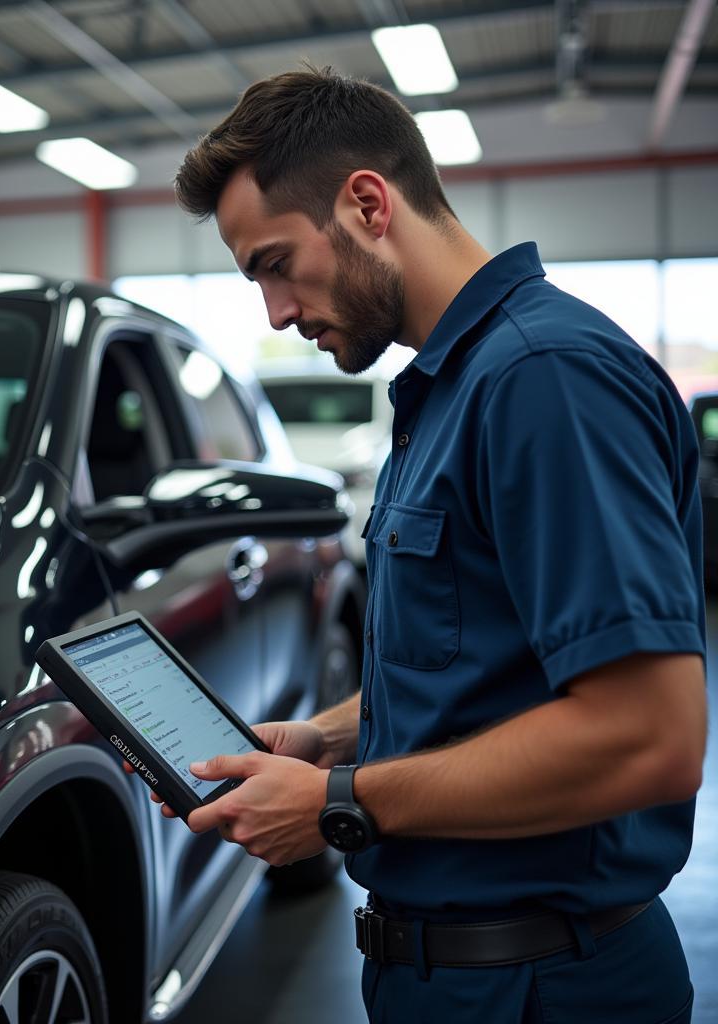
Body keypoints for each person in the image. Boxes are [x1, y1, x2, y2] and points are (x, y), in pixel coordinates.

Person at [145, 66, 708, 1023]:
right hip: (457, 975)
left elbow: (648, 737)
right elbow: (481, 670)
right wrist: (322, 741)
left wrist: (338, 801)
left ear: (367, 203)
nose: (276, 313)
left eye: (274, 263)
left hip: (541, 988)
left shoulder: (542, 380)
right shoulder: (450, 390)